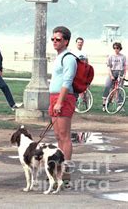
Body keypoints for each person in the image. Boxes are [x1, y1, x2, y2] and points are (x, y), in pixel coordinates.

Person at [49, 26, 77, 187]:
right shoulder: (58, 57)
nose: (55, 42)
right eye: (53, 39)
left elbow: (67, 81)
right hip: (55, 97)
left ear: (66, 41)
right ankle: (58, 170)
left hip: (64, 98)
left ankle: (65, 173)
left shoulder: (69, 58)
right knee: (58, 135)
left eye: (58, 39)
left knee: (65, 135)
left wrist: (60, 101)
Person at [102, 42, 126, 110]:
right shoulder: (111, 56)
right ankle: (104, 104)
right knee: (107, 86)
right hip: (112, 72)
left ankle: (120, 105)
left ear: (120, 48)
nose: (116, 49)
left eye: (117, 48)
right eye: (115, 48)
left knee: (119, 89)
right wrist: (111, 75)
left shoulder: (123, 57)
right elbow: (108, 66)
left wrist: (124, 75)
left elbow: (125, 66)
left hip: (120, 72)